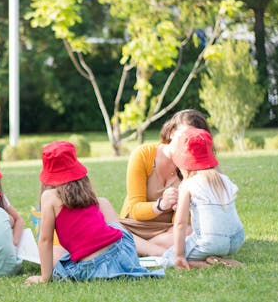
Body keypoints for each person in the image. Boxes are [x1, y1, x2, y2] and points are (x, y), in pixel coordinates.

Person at [26, 141, 164, 284]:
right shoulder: (86, 190)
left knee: (61, 268)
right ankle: (155, 251)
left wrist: (44, 278)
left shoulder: (49, 197)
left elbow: (45, 240)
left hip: (92, 267)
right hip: (122, 251)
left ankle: (154, 250)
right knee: (108, 214)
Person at [118, 109, 211, 255]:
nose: (188, 142)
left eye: (194, 138)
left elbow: (180, 223)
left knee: (189, 232)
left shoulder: (193, 168)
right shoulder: (143, 154)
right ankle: (144, 248)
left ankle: (137, 248)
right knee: (107, 225)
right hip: (133, 226)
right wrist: (161, 205)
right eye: (185, 135)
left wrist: (181, 206)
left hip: (167, 231)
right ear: (172, 132)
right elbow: (135, 210)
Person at [163, 127, 245, 269]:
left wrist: (179, 255)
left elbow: (180, 224)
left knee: (167, 258)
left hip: (211, 241)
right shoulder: (223, 179)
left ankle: (206, 265)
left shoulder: (188, 185)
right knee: (210, 243)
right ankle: (215, 258)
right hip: (237, 239)